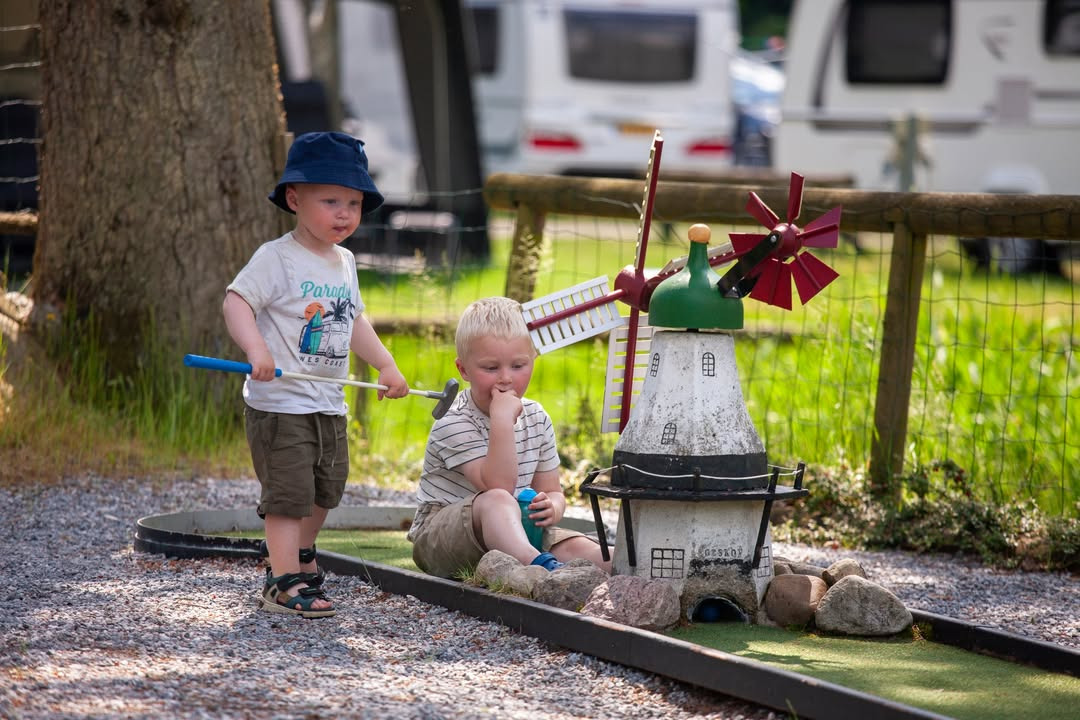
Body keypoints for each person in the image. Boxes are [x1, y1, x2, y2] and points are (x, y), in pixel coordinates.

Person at [223, 131, 409, 618]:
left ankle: (299, 557)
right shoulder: (276, 257)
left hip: (328, 402)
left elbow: (354, 321)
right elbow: (236, 301)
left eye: (353, 202)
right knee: (288, 496)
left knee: (325, 490)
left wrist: (385, 364)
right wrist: (256, 347)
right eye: (331, 201)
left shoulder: (345, 261)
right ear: (294, 198)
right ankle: (282, 582)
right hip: (282, 403)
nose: (345, 213)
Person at [408, 296, 610, 579]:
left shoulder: (536, 417)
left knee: (588, 551)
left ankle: (640, 576)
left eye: (518, 366)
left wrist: (551, 506)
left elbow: (551, 490)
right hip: (443, 540)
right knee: (499, 500)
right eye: (491, 368)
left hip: (516, 528)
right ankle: (541, 569)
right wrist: (501, 419)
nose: (506, 378)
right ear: (463, 369)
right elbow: (499, 485)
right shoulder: (453, 422)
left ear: (533, 360)